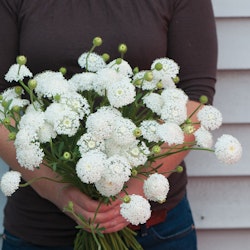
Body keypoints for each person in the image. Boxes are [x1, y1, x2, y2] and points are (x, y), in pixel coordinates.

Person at [0, 0, 217, 249]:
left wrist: (130, 197)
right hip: (40, 228)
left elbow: (195, 96)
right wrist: (59, 192)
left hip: (152, 229)